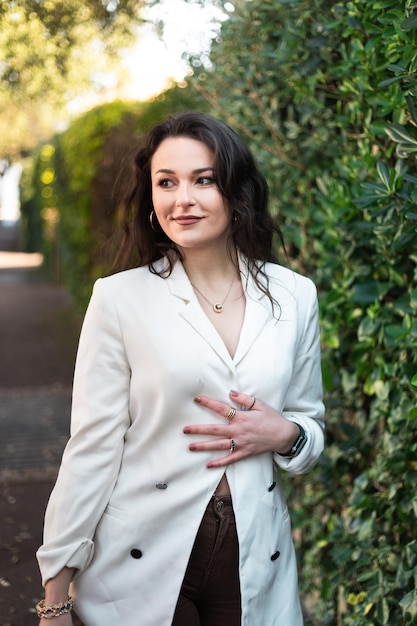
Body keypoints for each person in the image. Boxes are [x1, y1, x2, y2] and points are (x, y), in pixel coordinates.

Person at [36, 111, 325, 626]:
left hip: (253, 549)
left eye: (203, 180)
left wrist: (286, 434)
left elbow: (309, 427)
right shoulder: (120, 298)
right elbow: (93, 447)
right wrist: (56, 592)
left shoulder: (294, 296)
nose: (181, 199)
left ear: (236, 191)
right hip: (139, 551)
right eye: (165, 182)